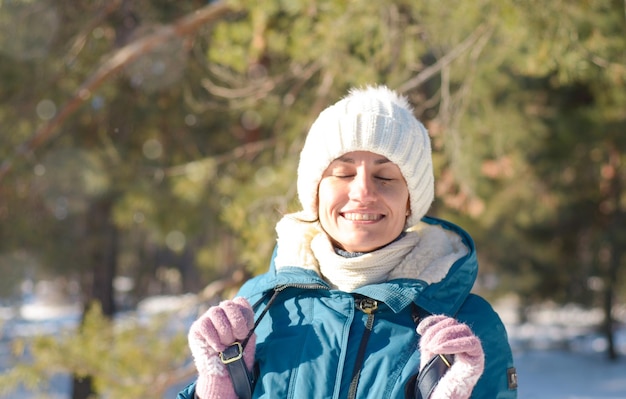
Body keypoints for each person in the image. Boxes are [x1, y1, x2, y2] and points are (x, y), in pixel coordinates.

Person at [177, 86, 518, 399]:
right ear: (315, 191)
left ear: (412, 201)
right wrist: (216, 389)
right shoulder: (259, 307)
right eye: (342, 174)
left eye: (385, 177)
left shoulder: (464, 328)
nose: (363, 191)